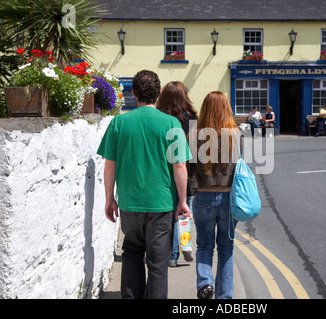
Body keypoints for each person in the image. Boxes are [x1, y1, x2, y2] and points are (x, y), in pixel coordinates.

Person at [97, 70, 192, 299]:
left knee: (131, 254)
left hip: (130, 203)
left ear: (133, 92)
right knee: (158, 263)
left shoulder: (119, 122)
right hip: (161, 204)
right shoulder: (171, 123)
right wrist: (182, 201)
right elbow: (179, 166)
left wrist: (109, 198)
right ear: (158, 93)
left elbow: (110, 165)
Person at [188, 91, 241, 299]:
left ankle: (205, 284)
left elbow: (190, 168)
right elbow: (240, 167)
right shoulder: (235, 134)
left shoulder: (194, 134)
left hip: (203, 198)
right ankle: (224, 297)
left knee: (204, 246)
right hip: (229, 198)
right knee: (226, 249)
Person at [156, 81, 198, 267]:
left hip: (163, 173)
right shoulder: (192, 119)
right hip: (186, 173)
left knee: (167, 216)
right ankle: (185, 244)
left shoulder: (159, 118)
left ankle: (171, 255)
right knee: (184, 211)